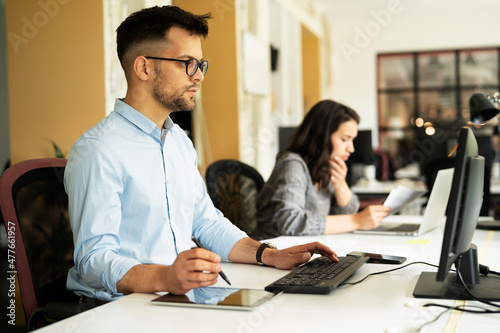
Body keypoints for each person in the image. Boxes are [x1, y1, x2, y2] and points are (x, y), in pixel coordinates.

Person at [63, 5, 337, 302]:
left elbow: (207, 222)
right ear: (143, 68)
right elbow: (93, 261)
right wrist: (164, 276)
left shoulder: (179, 141)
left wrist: (267, 255)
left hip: (183, 296)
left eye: (200, 65)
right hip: (125, 306)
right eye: (187, 63)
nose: (199, 76)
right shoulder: (98, 149)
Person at [256, 100, 391, 238]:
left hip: (305, 248)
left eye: (352, 140)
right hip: (273, 250)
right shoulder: (292, 164)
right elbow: (289, 222)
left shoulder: (325, 166)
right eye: (345, 139)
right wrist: (355, 221)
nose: (351, 148)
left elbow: (339, 218)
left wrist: (341, 186)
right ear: (322, 137)